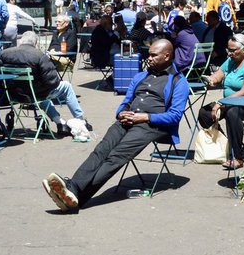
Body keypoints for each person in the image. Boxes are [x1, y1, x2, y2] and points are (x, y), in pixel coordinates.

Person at [42, 39, 188, 213]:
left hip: (151, 125)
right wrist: (121, 113)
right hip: (127, 120)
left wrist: (145, 117)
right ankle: (72, 191)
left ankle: (75, 194)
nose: (149, 58)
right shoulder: (140, 76)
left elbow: (175, 116)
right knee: (101, 150)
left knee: (116, 156)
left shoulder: (178, 82)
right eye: (149, 55)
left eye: (153, 55)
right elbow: (125, 102)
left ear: (167, 56)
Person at [0, 31, 89, 137]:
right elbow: (52, 81)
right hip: (35, 93)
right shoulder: (39, 55)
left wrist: (3, 82)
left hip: (13, 93)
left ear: (21, 41)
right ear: (35, 43)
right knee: (66, 86)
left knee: (41, 93)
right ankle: (80, 120)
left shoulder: (5, 53)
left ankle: (60, 123)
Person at [196, 33, 244, 169]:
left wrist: (221, 102)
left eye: (233, 50)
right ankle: (225, 144)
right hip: (231, 102)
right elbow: (219, 75)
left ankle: (237, 157)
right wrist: (211, 80)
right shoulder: (231, 60)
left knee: (232, 112)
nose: (229, 53)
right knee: (205, 112)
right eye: (228, 50)